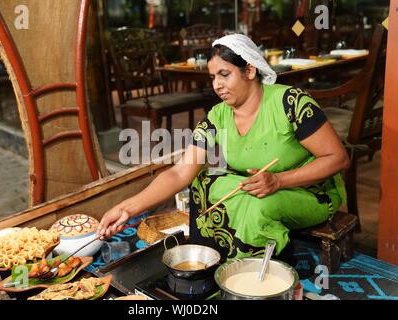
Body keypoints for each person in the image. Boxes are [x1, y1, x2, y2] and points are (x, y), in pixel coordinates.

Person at [97, 34, 350, 261]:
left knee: (257, 206)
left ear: (249, 71)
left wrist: (279, 181)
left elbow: (338, 158)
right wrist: (125, 208)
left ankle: (254, 273)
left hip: (309, 192)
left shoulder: (290, 102)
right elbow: (179, 173)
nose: (216, 85)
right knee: (203, 182)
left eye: (224, 74)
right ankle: (214, 261)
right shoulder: (218, 116)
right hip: (255, 188)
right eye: (213, 78)